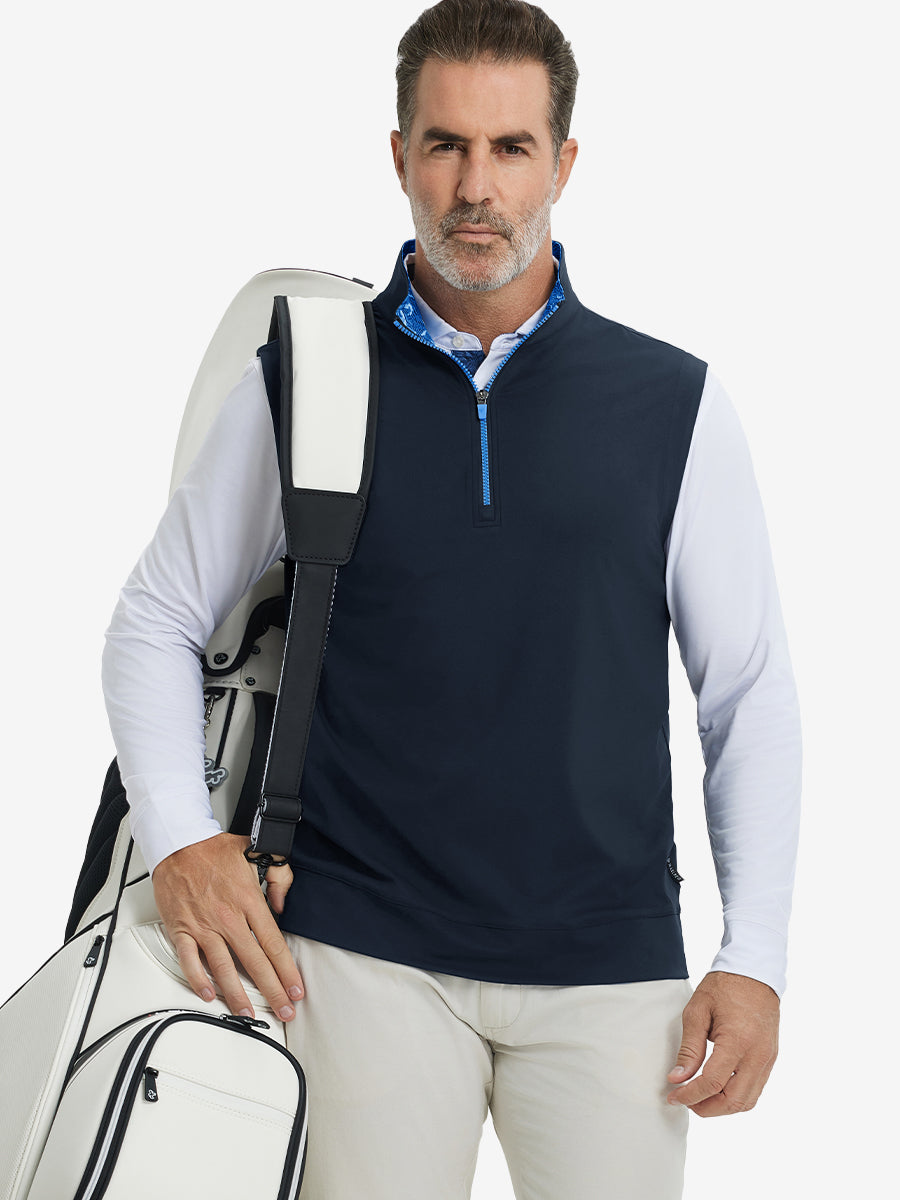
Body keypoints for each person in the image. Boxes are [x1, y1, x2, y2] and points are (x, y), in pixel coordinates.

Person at [100, 1, 802, 1196]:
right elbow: (153, 622)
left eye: (511, 148)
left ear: (563, 164)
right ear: (400, 156)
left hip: (608, 967)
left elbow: (748, 694)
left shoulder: (671, 404)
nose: (477, 188)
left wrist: (758, 957)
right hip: (358, 953)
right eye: (446, 146)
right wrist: (179, 841)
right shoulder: (309, 378)